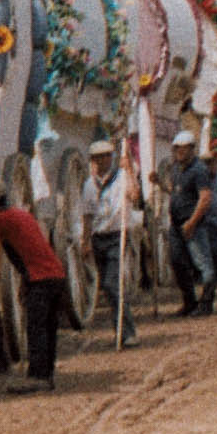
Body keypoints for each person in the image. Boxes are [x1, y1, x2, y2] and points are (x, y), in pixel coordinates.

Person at [0, 177, 70, 392]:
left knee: (35, 328)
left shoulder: (2, 220)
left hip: (40, 278)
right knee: (48, 328)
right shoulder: (22, 214)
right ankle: (46, 375)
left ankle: (37, 376)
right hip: (55, 274)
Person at [76, 139, 138, 347]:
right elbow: (87, 215)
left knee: (114, 284)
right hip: (98, 238)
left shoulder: (122, 178)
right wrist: (85, 241)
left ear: (111, 158)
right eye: (98, 158)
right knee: (108, 286)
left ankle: (127, 332)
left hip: (117, 236)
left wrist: (129, 170)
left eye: (106, 156)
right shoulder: (89, 185)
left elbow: (134, 195)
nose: (102, 161)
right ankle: (120, 329)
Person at [167, 129, 217, 316]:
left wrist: (192, 223)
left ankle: (206, 303)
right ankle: (189, 302)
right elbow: (174, 192)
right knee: (178, 262)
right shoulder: (176, 169)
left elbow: (205, 198)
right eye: (177, 149)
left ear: (191, 149)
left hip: (193, 224)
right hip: (176, 225)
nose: (180, 152)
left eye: (183, 149)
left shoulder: (199, 170)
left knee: (203, 264)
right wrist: (158, 182)